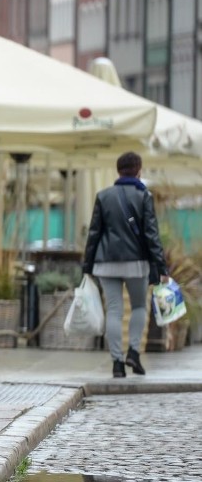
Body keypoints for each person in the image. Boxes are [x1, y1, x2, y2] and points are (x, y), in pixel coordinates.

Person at [83, 151, 169, 378]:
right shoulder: (144, 196)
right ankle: (133, 351)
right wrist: (161, 266)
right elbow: (152, 235)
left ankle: (117, 364)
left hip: (106, 262)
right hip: (136, 263)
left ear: (118, 170)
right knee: (139, 307)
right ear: (138, 170)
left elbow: (94, 234)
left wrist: (86, 267)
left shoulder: (103, 196)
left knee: (114, 310)